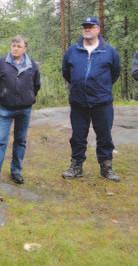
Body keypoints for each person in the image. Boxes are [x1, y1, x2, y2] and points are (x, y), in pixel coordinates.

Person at [62, 17, 121, 182]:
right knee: (78, 136)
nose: (87, 29)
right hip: (78, 102)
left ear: (98, 29)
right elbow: (66, 72)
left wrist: (100, 87)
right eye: (85, 27)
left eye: (91, 26)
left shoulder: (109, 52)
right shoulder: (72, 51)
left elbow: (115, 73)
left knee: (104, 136)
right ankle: (76, 166)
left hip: (102, 102)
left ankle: (106, 167)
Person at [0, 35, 41, 188]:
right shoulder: (1, 63)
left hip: (24, 110)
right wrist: (1, 97)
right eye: (13, 45)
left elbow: (36, 85)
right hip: (5, 109)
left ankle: (16, 171)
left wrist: (29, 97)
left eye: (18, 46)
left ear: (25, 48)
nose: (15, 48)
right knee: (0, 141)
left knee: (20, 141)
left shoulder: (32, 65)